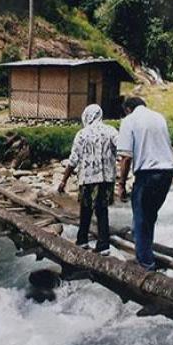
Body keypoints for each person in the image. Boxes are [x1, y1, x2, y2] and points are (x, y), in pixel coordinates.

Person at [116, 97, 173, 271]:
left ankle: (145, 265)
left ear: (128, 109)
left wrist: (121, 184)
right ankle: (145, 253)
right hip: (167, 173)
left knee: (141, 219)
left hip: (147, 174)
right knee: (149, 216)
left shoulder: (129, 120)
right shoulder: (159, 117)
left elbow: (126, 157)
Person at [58, 104, 118, 255]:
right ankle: (104, 245)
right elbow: (122, 149)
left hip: (88, 179)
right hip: (106, 178)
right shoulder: (111, 131)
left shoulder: (82, 134)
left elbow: (73, 160)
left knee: (86, 209)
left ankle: (82, 240)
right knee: (102, 210)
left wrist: (64, 180)